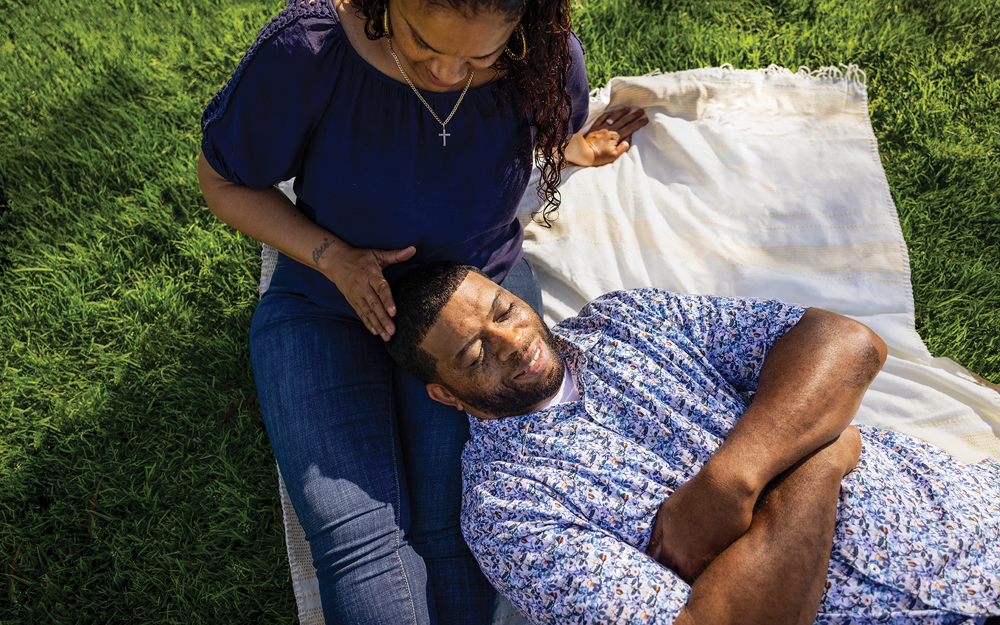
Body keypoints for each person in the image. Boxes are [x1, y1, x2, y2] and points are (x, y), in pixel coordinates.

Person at [196, 0, 648, 621]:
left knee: (456, 522)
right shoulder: (310, 52)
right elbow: (223, 181)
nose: (445, 73)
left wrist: (570, 151)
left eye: (479, 55)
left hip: (473, 301)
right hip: (325, 302)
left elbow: (509, 150)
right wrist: (332, 256)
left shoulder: (545, 56)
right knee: (356, 535)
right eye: (423, 43)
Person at [384, 261, 1000, 625]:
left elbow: (844, 343)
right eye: (473, 354)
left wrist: (730, 481)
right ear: (447, 395)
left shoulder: (627, 320)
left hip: (957, 516)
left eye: (505, 310)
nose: (513, 342)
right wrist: (820, 458)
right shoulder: (507, 513)